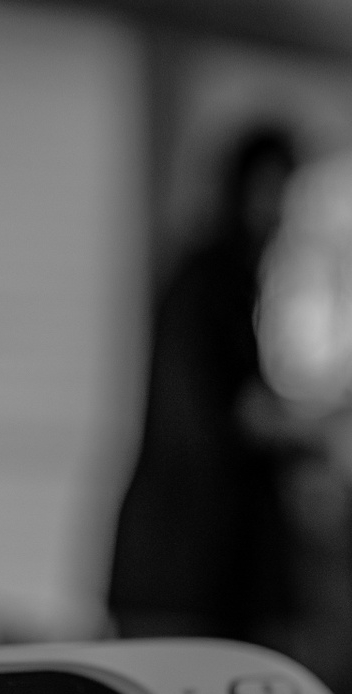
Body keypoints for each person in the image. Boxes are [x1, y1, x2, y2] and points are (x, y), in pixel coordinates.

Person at [108, 124, 302, 642]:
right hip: (186, 568)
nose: (281, 211)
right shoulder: (214, 282)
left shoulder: (209, 278)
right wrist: (324, 429)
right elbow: (246, 413)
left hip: (177, 566)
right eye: (273, 191)